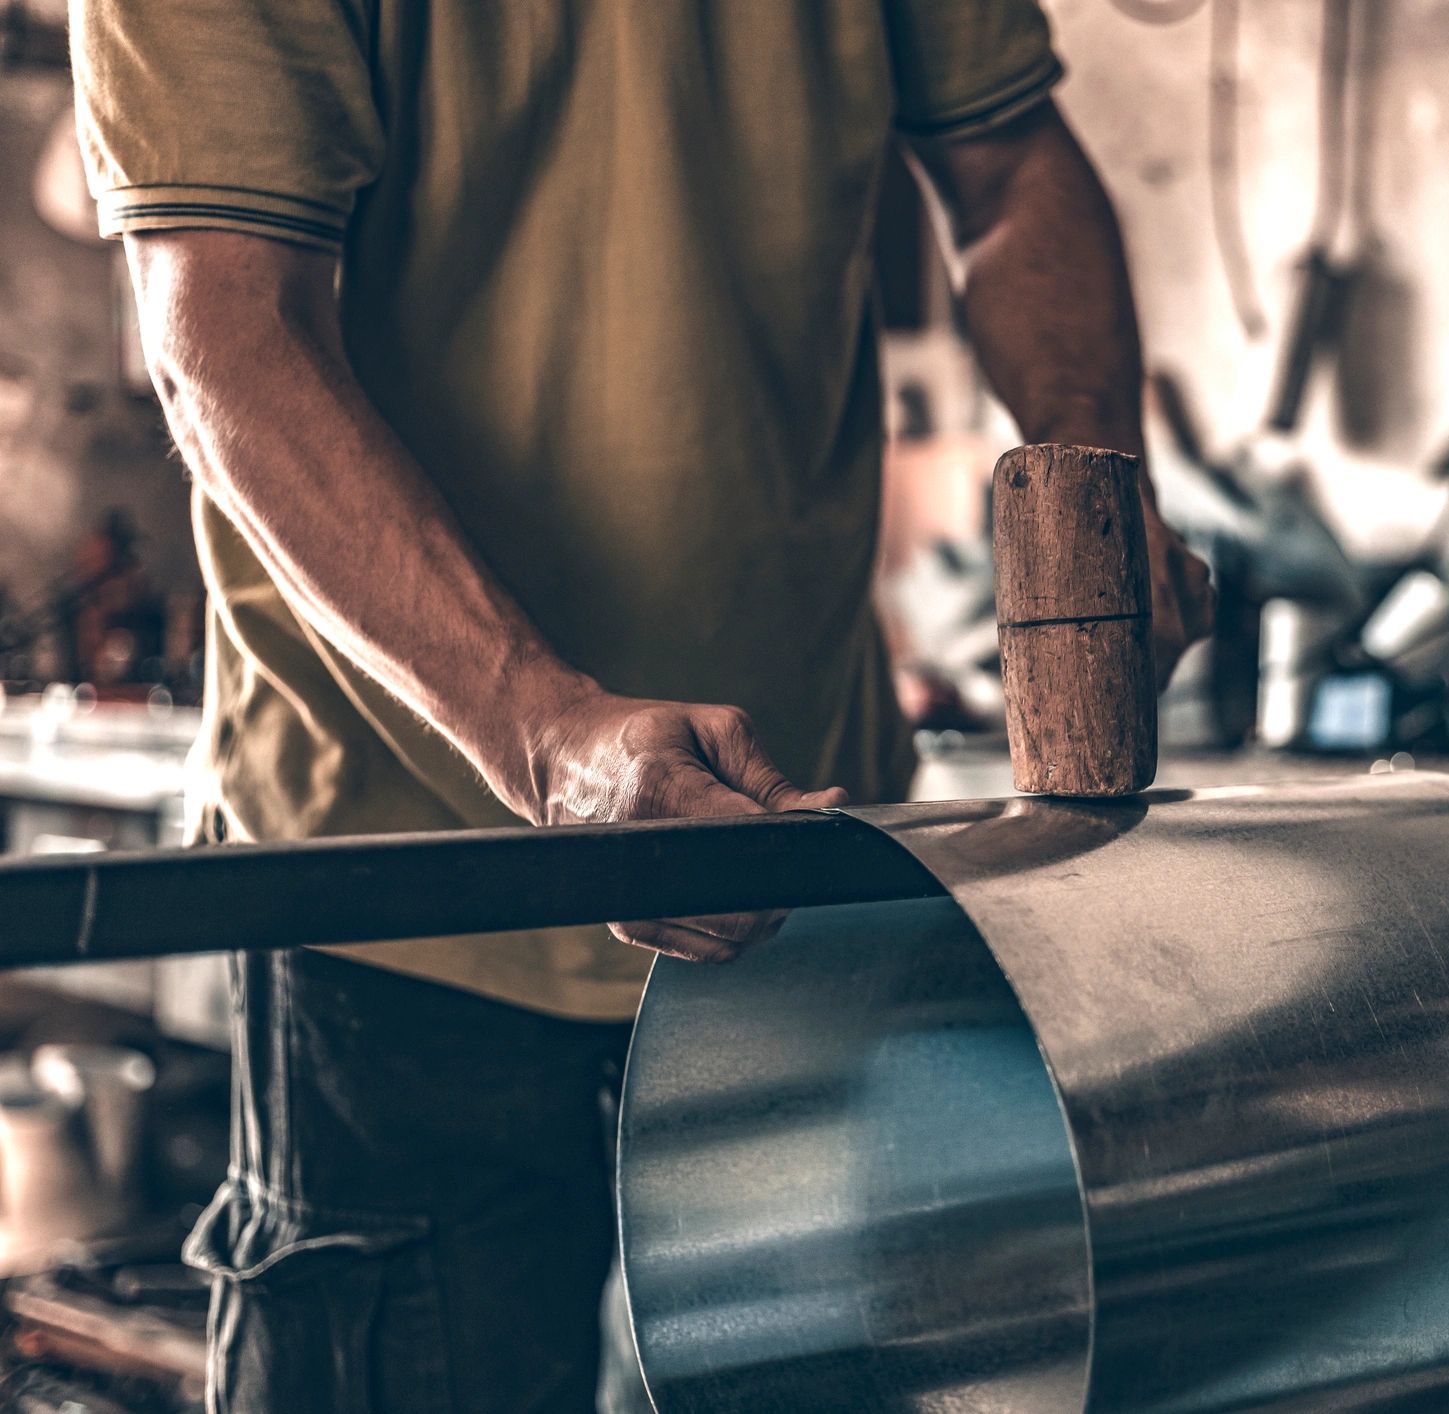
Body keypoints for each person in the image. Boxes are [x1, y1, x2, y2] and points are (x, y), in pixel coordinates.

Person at [68, 2, 1214, 1409]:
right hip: (411, 901)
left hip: (811, 880)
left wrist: (1098, 487)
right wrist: (540, 729)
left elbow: (1009, 167)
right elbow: (228, 334)